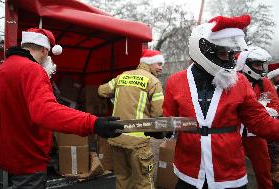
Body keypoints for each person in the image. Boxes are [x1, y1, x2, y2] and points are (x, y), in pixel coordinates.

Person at [0, 28, 123, 189]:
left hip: (6, 157)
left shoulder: (1, 70)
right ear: (44, 50)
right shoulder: (32, 69)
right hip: (28, 161)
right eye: (48, 54)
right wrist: (94, 123)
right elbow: (46, 111)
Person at [163, 14, 279, 189]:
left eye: (232, 54)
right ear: (202, 50)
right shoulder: (175, 81)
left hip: (229, 174)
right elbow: (169, 121)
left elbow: (260, 122)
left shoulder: (239, 82)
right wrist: (159, 130)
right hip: (189, 173)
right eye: (223, 53)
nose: (230, 60)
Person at [98, 49, 165, 189]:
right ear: (150, 63)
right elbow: (158, 114)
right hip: (138, 143)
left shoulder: (122, 77)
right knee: (144, 182)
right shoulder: (154, 82)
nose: (161, 67)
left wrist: (116, 95)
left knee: (122, 180)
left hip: (117, 139)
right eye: (159, 64)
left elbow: (101, 91)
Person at [236, 46, 279, 189]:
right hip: (235, 133)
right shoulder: (233, 80)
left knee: (263, 169)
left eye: (262, 64)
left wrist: (260, 110)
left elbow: (275, 106)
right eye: (257, 64)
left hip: (257, 133)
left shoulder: (264, 82)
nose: (260, 68)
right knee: (234, 168)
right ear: (245, 64)